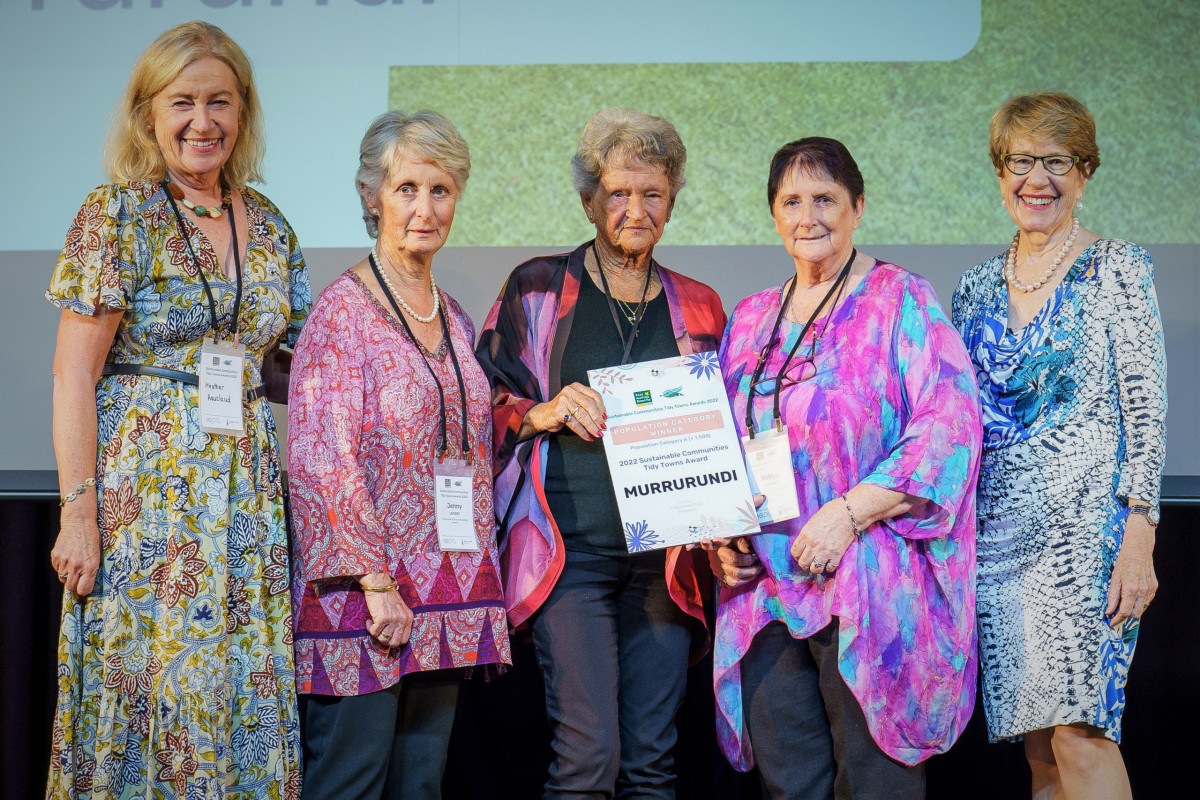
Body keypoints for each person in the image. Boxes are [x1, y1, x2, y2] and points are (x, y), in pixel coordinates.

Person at [45, 21, 309, 797]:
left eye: (220, 101)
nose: (203, 121)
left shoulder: (272, 227)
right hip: (145, 503)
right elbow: (72, 374)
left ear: (243, 110)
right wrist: (78, 512)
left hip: (246, 505)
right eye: (182, 102)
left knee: (240, 682)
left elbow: (286, 367)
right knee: (150, 685)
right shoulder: (117, 214)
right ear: (147, 114)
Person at [708, 137, 982, 800]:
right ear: (774, 214)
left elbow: (949, 426)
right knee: (789, 787)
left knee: (875, 785)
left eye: (825, 199)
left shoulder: (902, 300)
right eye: (791, 201)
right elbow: (718, 445)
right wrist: (721, 532)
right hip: (765, 593)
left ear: (857, 207)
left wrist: (848, 514)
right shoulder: (750, 319)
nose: (809, 217)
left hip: (869, 586)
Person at [475, 107, 725, 798]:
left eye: (653, 193)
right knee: (586, 760)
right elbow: (477, 403)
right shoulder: (536, 287)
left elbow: (725, 427)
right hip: (570, 556)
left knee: (651, 765)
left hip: (667, 562)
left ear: (672, 201)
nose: (636, 209)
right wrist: (542, 411)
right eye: (618, 192)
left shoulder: (700, 305)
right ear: (589, 201)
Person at [287, 110, 511, 800]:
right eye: (407, 188)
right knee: (351, 784)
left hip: (446, 594)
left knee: (420, 787)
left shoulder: (456, 317)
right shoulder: (340, 314)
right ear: (371, 195)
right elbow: (322, 459)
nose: (424, 208)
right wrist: (374, 583)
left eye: (440, 190)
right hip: (365, 596)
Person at [952, 92, 1166, 800]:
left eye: (1057, 162)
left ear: (1085, 172)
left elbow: (1146, 408)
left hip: (1086, 537)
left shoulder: (1118, 267)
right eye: (1020, 162)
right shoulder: (973, 289)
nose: (1036, 179)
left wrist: (1139, 535)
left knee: (1080, 733)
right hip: (999, 540)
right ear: (1000, 171)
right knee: (1040, 749)